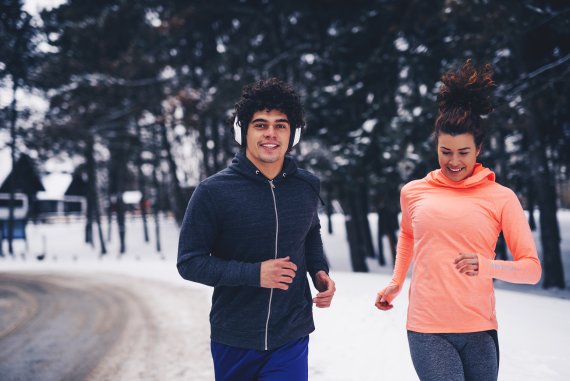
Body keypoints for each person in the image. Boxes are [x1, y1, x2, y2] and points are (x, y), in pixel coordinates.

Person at [375, 60, 542, 381]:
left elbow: (532, 270)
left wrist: (487, 265)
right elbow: (409, 237)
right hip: (427, 328)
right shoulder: (413, 192)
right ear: (436, 146)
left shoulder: (501, 197)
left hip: (479, 328)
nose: (454, 161)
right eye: (445, 151)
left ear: (479, 148)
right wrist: (396, 282)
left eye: (463, 152)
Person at [177, 78, 336, 381]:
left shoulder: (306, 186)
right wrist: (254, 274)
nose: (271, 134)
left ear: (294, 133)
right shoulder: (213, 192)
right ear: (243, 131)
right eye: (260, 124)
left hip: (291, 333)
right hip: (235, 338)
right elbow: (189, 262)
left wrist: (319, 270)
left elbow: (310, 231)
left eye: (281, 125)